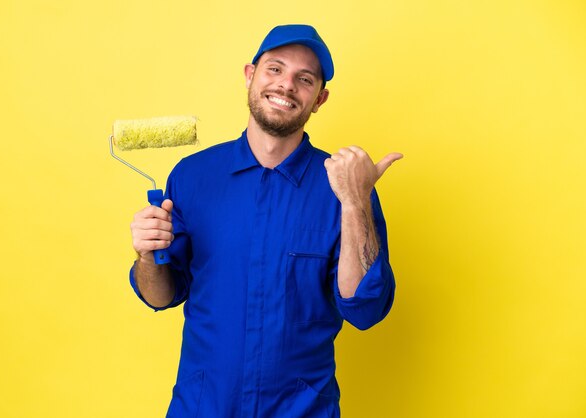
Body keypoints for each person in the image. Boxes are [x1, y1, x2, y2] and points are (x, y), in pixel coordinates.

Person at [128, 24, 403, 418]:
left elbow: (364, 309)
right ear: (249, 76)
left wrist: (354, 202)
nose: (286, 85)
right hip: (203, 407)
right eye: (274, 69)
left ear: (319, 99)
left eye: (304, 79)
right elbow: (159, 295)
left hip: (302, 410)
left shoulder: (344, 188)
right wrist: (145, 253)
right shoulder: (191, 176)